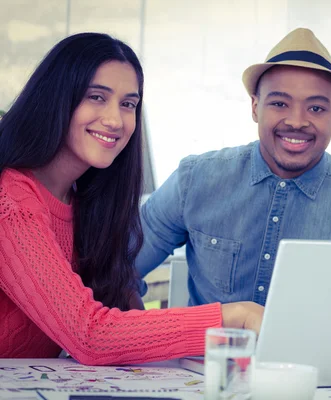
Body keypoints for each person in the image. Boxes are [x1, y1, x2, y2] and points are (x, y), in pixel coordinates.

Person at [0, 32, 263, 365]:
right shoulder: (12, 200)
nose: (115, 120)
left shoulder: (87, 202)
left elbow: (123, 318)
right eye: (96, 97)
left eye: (128, 104)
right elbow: (90, 336)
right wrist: (233, 316)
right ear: (57, 99)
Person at [135, 28, 331, 306]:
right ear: (255, 107)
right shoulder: (195, 180)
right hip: (208, 351)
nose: (296, 121)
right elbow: (117, 270)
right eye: (279, 103)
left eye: (316, 108)